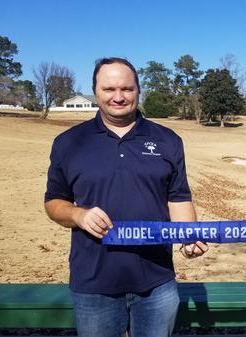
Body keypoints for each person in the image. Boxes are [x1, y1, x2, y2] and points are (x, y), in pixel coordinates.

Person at [44, 57, 208, 337]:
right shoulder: (69, 142)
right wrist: (78, 215)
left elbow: (177, 196)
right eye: (109, 89)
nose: (118, 97)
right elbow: (54, 203)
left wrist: (187, 237)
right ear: (95, 90)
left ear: (138, 90)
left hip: (157, 281)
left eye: (127, 89)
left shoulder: (168, 140)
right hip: (94, 283)